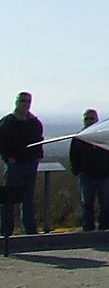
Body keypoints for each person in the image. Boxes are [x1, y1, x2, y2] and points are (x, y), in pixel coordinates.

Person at [1, 90, 46, 248]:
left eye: (27, 101)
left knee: (28, 199)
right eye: (22, 101)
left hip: (30, 164)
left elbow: (39, 140)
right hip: (15, 165)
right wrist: (8, 158)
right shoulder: (7, 121)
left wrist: (38, 155)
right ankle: (5, 231)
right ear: (16, 102)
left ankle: (30, 230)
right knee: (9, 199)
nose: (24, 104)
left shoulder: (34, 122)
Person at [71, 109, 109, 233]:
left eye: (92, 118)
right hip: (87, 175)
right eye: (87, 119)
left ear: (97, 120)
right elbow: (73, 156)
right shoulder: (78, 137)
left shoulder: (103, 136)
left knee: (105, 204)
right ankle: (88, 228)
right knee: (87, 204)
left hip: (104, 175)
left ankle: (104, 228)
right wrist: (77, 171)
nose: (89, 121)